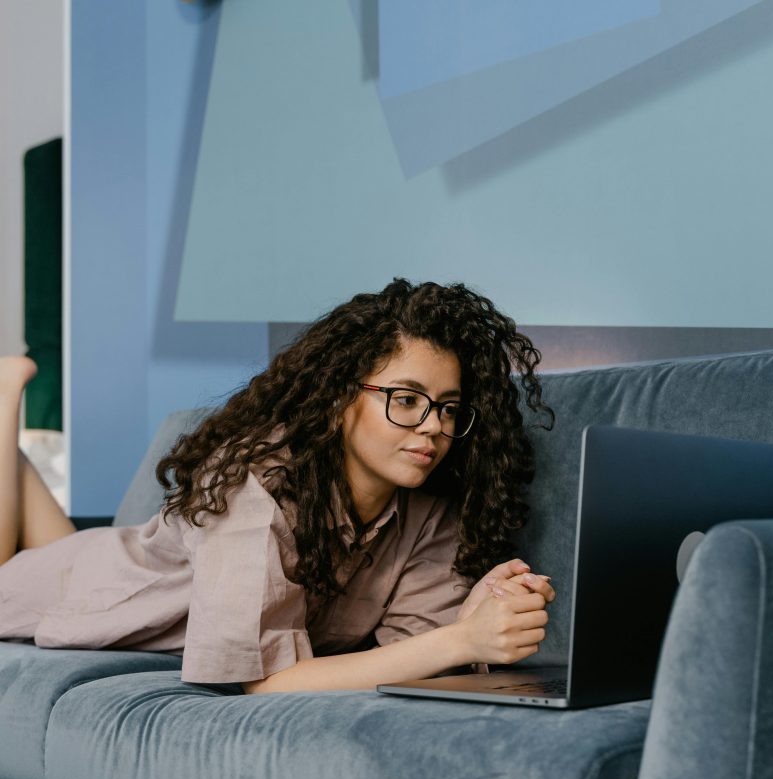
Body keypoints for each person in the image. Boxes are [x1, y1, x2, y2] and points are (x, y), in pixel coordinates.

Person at [0, 278, 556, 694]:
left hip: (112, 560)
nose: (434, 426)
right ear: (340, 400)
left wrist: (468, 622)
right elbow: (265, 685)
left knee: (61, 549)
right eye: (406, 400)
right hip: (90, 588)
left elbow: (403, 659)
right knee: (15, 571)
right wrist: (460, 640)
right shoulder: (254, 487)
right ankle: (5, 401)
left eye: (449, 408)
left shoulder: (431, 516)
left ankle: (16, 456)